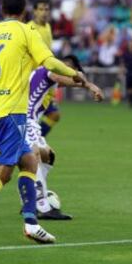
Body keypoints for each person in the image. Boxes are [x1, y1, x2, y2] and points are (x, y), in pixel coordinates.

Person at [0, 0, 87, 246]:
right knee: (3, 171)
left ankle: (32, 223)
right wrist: (76, 74)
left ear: (1, 9)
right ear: (24, 11)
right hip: (12, 113)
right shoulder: (26, 32)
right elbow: (49, 63)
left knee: (29, 162)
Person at [27, 55, 104, 220]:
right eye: (69, 69)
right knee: (35, 159)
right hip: (25, 119)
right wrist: (89, 85)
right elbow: (58, 76)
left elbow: (68, 81)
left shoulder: (49, 75)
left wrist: (85, 85)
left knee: (48, 157)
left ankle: (30, 200)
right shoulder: (50, 69)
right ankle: (43, 207)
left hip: (27, 120)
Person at [27, 0, 60, 137]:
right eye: (40, 9)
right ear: (34, 11)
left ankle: (36, 139)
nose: (44, 12)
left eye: (46, 9)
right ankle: (33, 141)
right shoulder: (29, 28)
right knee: (34, 117)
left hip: (45, 77)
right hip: (32, 78)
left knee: (53, 114)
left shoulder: (47, 27)